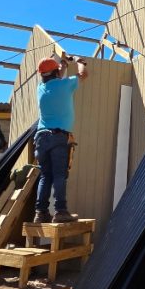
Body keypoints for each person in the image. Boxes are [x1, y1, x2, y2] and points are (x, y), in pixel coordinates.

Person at [33, 53, 89, 224]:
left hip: (41, 138)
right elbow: (83, 74)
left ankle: (40, 213)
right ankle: (60, 211)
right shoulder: (65, 85)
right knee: (59, 175)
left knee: (46, 176)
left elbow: (57, 75)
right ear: (56, 73)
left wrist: (63, 63)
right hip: (58, 137)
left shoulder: (40, 89)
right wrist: (80, 61)